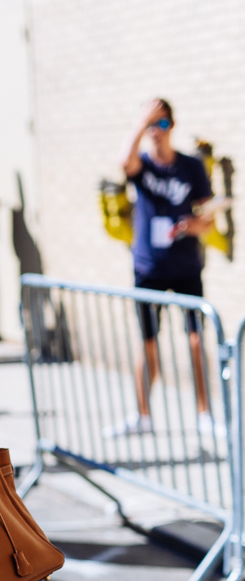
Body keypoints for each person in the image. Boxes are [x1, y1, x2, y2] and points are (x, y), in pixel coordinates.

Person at [108, 98, 216, 437]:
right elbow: (123, 163)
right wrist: (141, 123)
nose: (157, 131)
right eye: (152, 124)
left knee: (197, 340)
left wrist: (193, 226)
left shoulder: (191, 166)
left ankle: (205, 415)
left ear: (174, 126)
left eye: (163, 123)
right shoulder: (142, 164)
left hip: (185, 265)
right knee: (148, 343)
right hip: (149, 267)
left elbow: (208, 218)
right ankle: (142, 416)